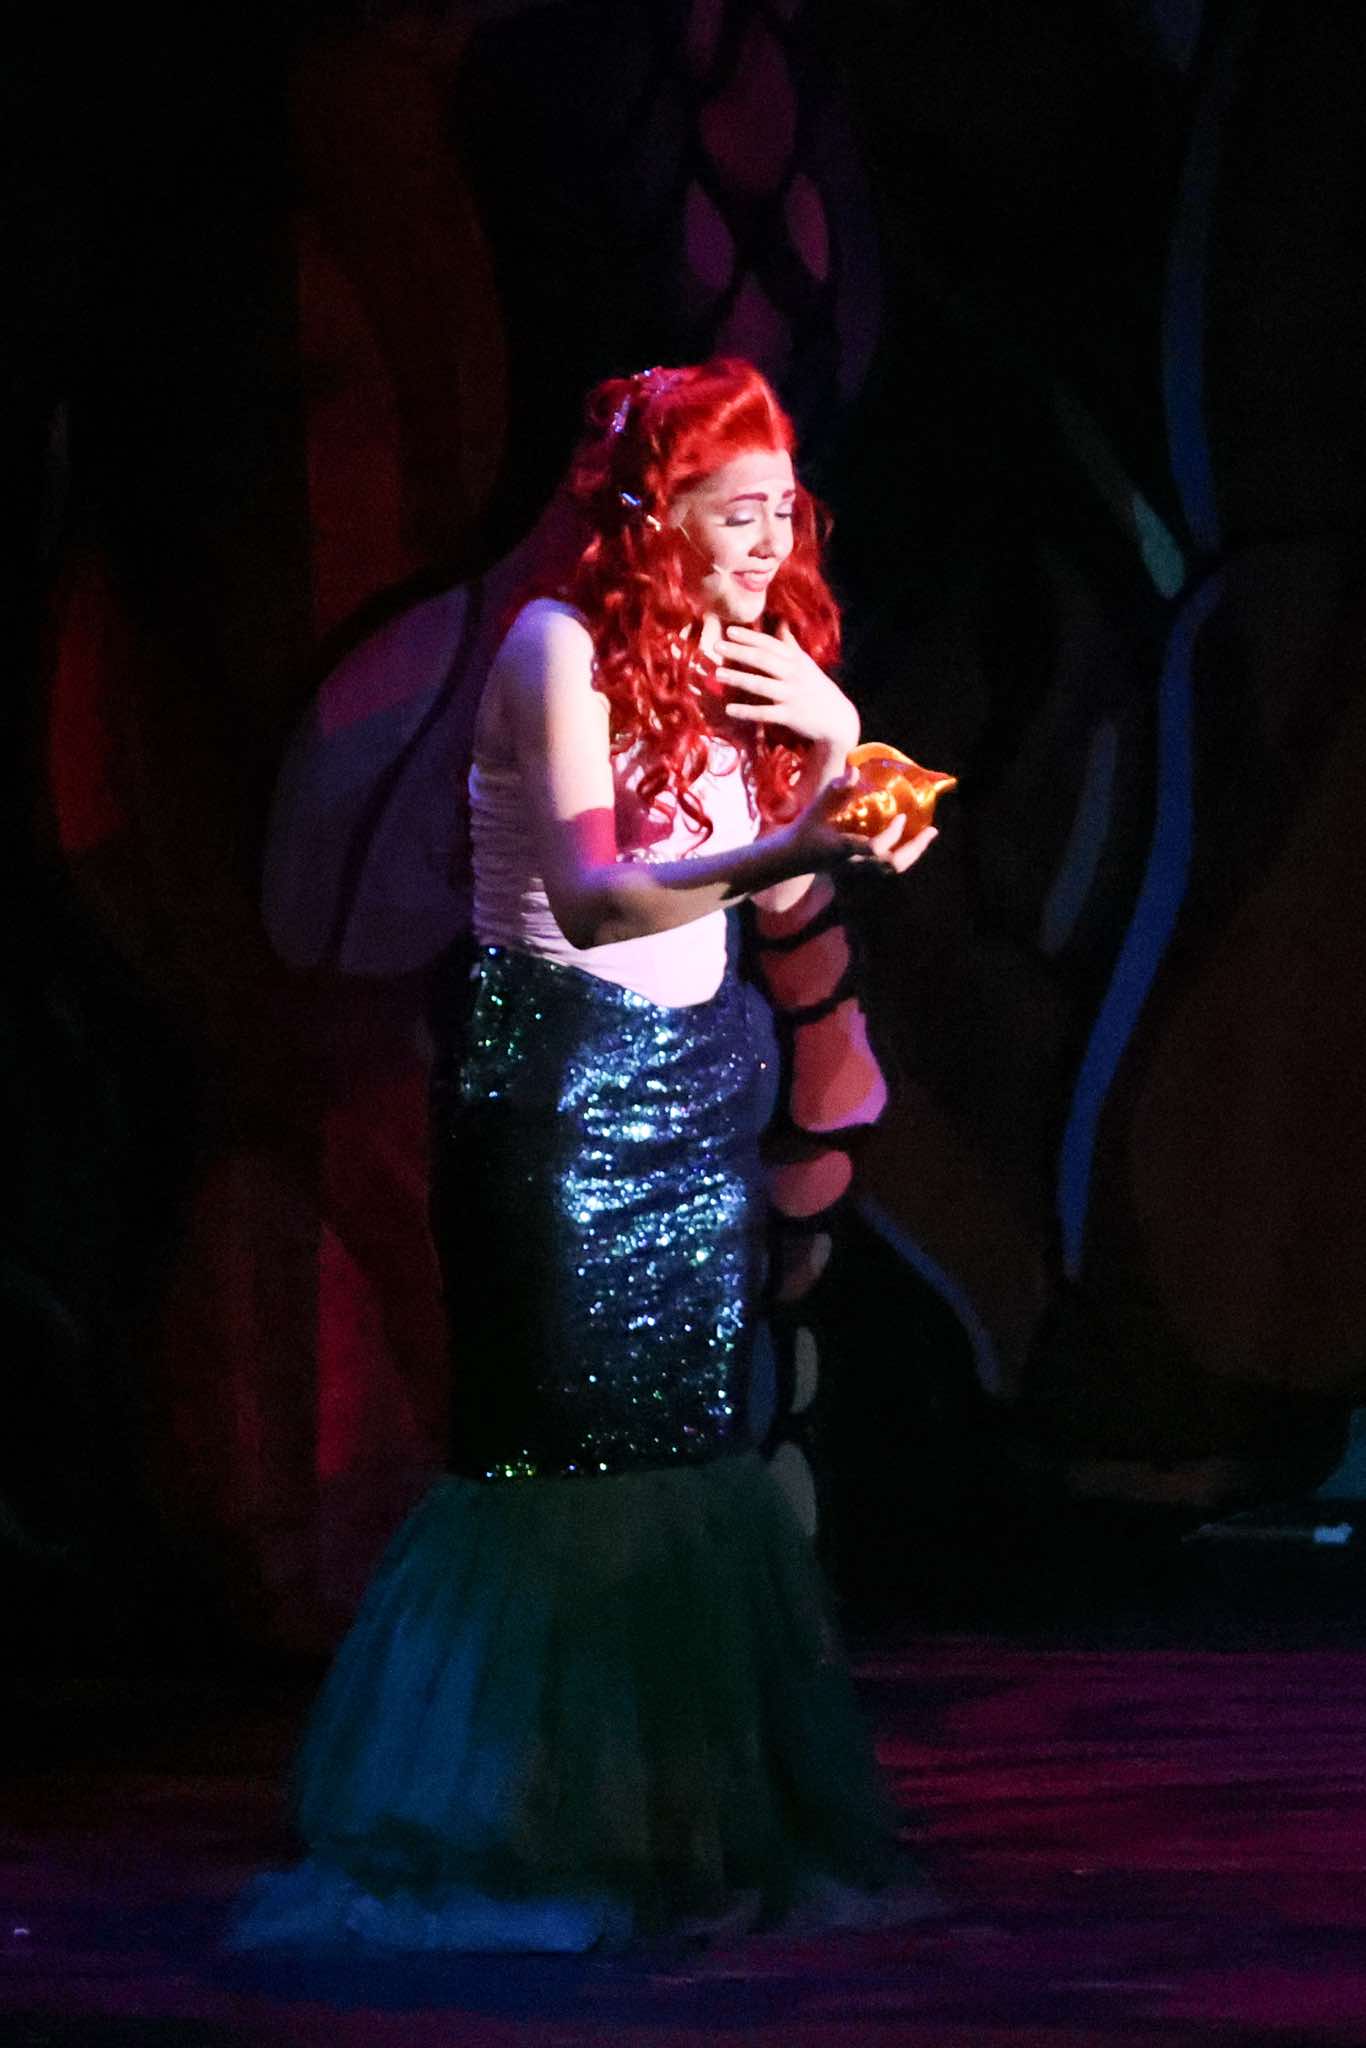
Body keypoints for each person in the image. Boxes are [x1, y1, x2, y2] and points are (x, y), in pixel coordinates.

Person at [231, 358, 938, 1954]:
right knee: (560, 1461)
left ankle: (668, 1827)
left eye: (781, 512)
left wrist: (839, 747)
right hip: (563, 1093)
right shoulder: (553, 647)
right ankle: (525, 1826)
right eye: (731, 514)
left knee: (680, 1462)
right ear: (649, 515)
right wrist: (807, 831)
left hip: (696, 1093)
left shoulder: (744, 660)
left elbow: (788, 886)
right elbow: (603, 897)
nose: (766, 544)